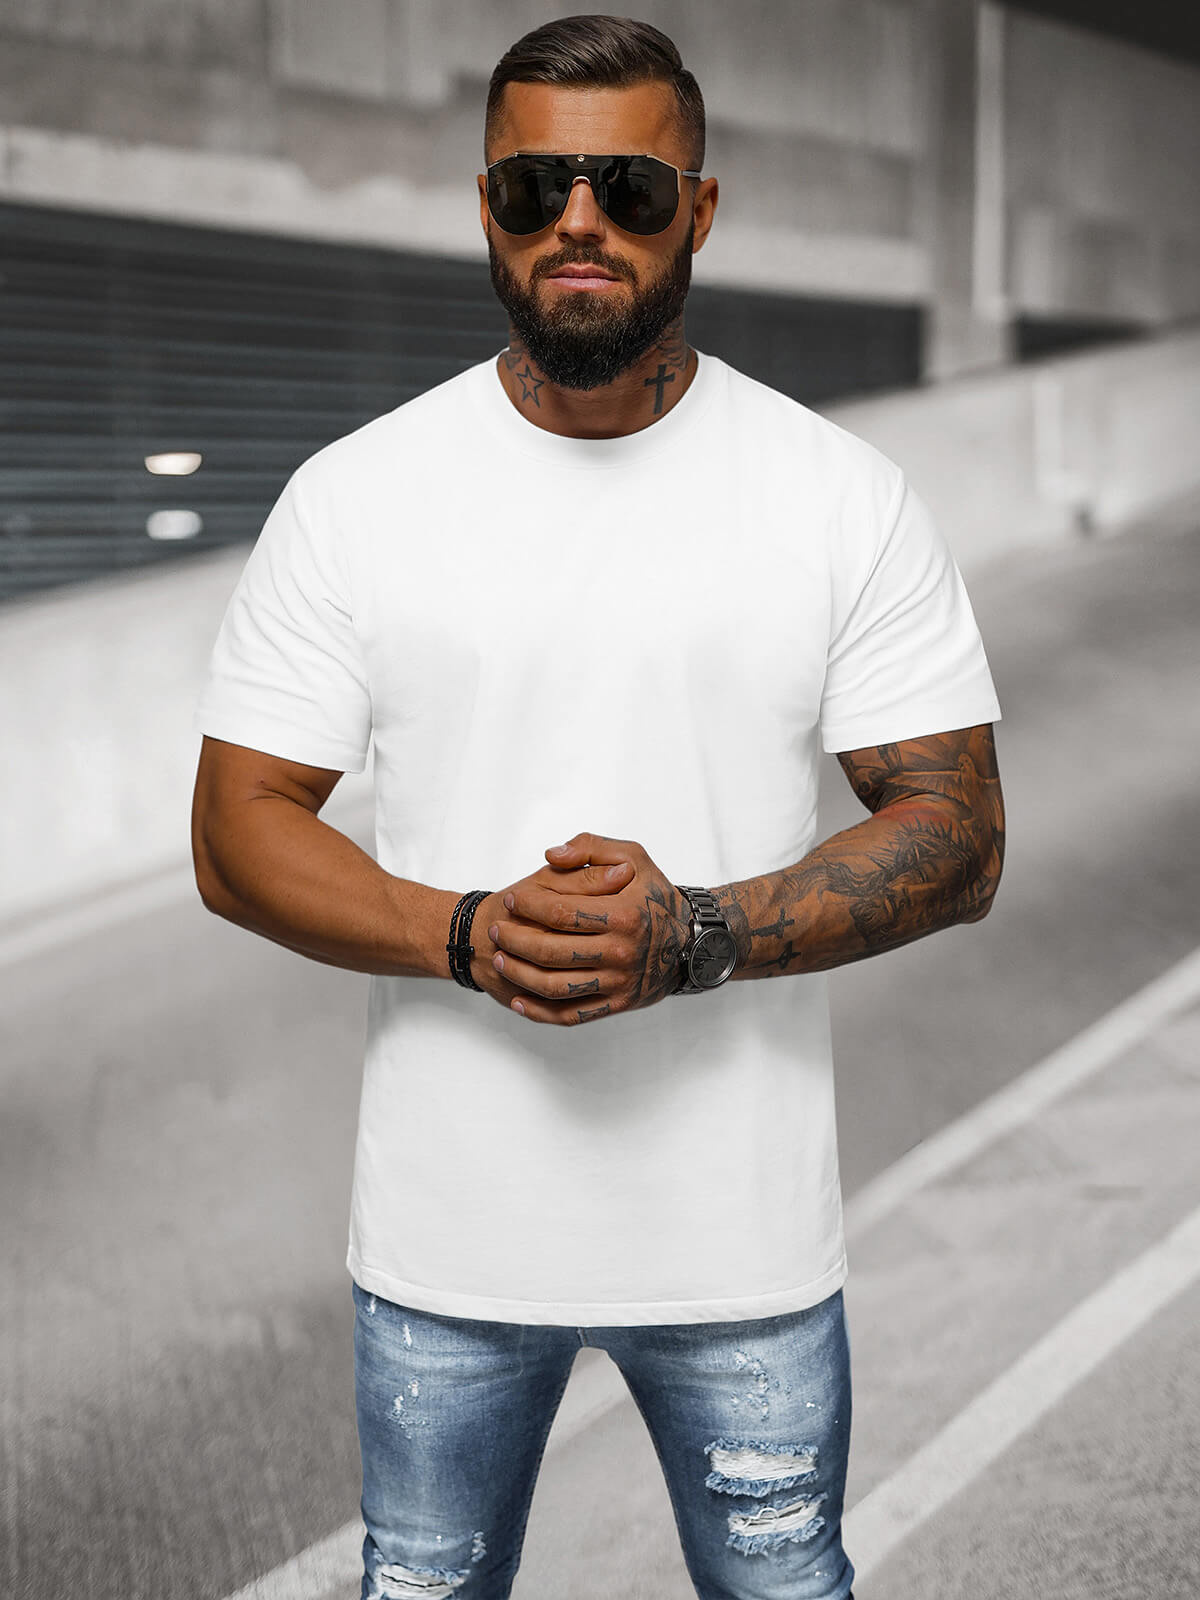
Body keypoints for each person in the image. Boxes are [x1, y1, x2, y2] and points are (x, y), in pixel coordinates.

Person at [191, 14, 1005, 1600]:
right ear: (485, 205)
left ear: (699, 208)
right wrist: (467, 931)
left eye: (628, 189)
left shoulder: (836, 496)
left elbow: (959, 830)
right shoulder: (359, 497)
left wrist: (693, 931)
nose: (579, 222)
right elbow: (237, 828)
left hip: (739, 1251)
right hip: (447, 1249)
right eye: (534, 187)